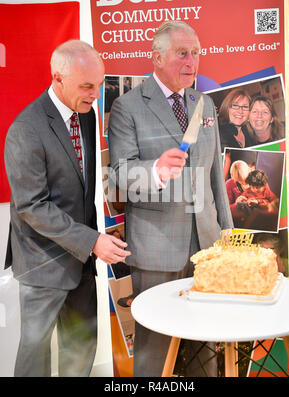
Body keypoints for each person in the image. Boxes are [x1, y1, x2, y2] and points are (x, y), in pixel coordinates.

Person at [108, 21, 233, 377]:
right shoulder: (127, 107)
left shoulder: (204, 104)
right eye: (182, 53)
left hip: (206, 245)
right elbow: (118, 174)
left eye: (195, 52)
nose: (191, 61)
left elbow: (214, 177)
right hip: (157, 249)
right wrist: (158, 171)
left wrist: (226, 234)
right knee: (156, 347)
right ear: (157, 57)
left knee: (206, 342)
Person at [4, 40, 130, 377]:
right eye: (87, 86)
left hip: (82, 263)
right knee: (36, 359)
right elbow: (32, 205)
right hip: (41, 264)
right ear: (58, 78)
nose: (95, 94)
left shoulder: (85, 115)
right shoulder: (25, 130)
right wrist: (92, 240)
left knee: (79, 351)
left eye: (100, 84)